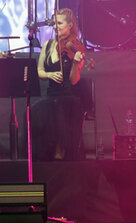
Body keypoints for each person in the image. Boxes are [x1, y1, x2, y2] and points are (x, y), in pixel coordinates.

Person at [28, 8, 85, 161]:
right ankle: (42, 155)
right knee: (36, 109)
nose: (55, 27)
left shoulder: (76, 47)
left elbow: (74, 80)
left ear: (70, 25)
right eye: (54, 23)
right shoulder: (47, 45)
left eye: (59, 23)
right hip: (51, 94)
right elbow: (39, 71)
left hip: (69, 95)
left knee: (59, 107)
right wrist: (49, 74)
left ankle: (60, 152)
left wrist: (75, 63)